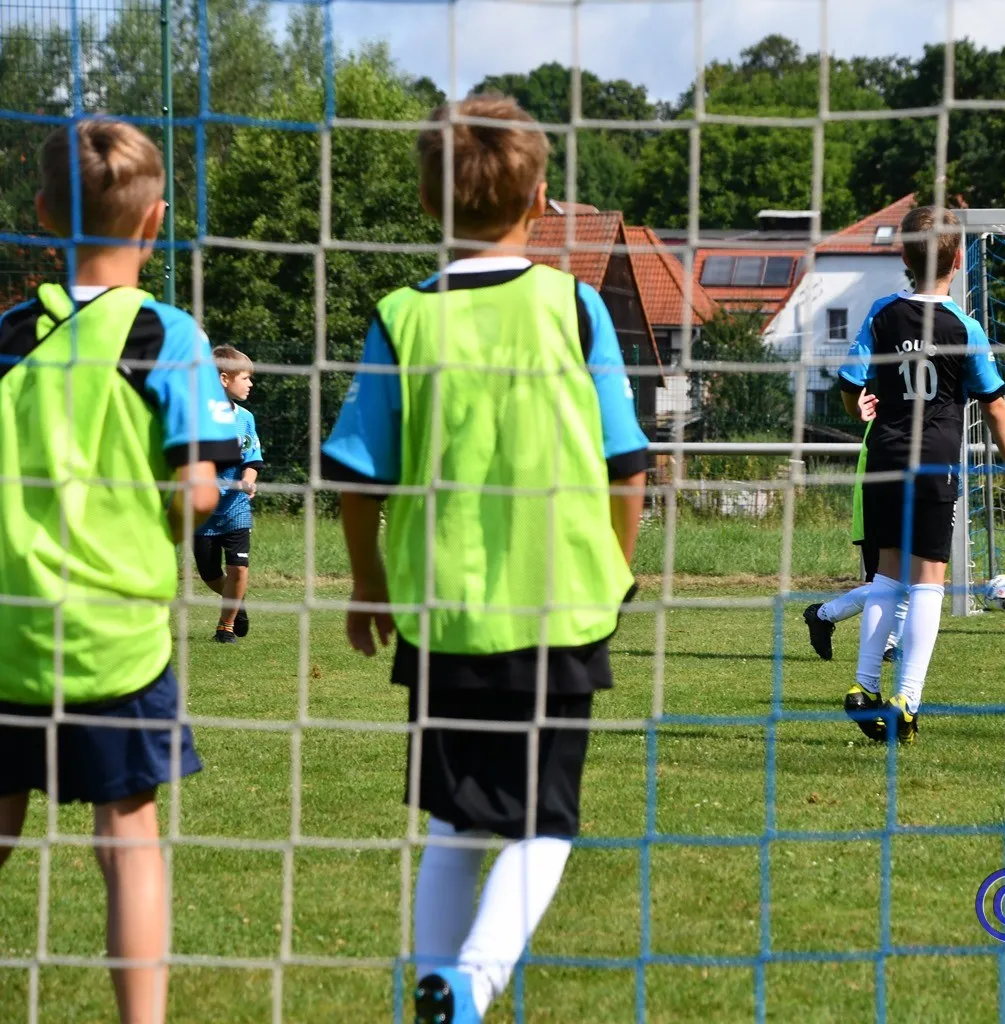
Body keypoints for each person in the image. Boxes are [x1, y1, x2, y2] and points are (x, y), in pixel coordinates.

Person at [321, 93, 648, 1024]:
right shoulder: (575, 307)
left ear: (429, 203)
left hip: (444, 614)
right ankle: (470, 985)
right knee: (545, 826)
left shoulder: (401, 318)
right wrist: (615, 570)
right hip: (559, 608)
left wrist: (369, 583)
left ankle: (434, 988)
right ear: (542, 199)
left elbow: (358, 479)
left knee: (455, 822)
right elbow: (628, 468)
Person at [0, 119, 239, 1024]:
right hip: (114, 637)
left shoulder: (9, 333)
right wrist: (178, 511)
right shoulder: (164, 333)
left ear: (41, 215)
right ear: (155, 222)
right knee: (128, 835)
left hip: (8, 625)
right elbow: (199, 490)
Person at [835, 204, 1005, 744]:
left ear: (902, 255)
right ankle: (908, 699)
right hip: (934, 462)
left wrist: (859, 408)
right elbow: (994, 405)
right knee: (928, 582)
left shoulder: (882, 314)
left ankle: (863, 687)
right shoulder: (964, 327)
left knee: (886, 577)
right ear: (958, 259)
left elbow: (850, 384)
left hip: (885, 458)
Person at [802, 401, 907, 663]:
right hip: (880, 507)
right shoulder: (891, 412)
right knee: (893, 584)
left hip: (905, 504)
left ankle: (885, 643)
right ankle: (824, 614)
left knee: (907, 584)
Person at [192, 345, 263, 642]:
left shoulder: (245, 418)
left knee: (238, 569)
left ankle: (225, 628)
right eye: (245, 378)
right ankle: (237, 602)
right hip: (201, 510)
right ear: (223, 379)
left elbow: (253, 460)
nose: (251, 384)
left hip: (236, 508)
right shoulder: (196, 417)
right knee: (210, 574)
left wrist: (248, 480)